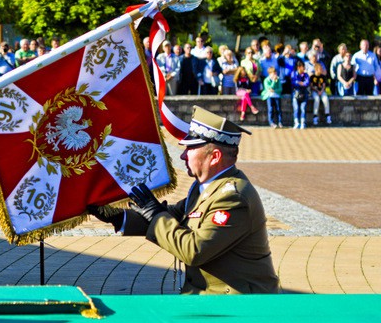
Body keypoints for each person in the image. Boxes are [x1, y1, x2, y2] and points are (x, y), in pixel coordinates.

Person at [88, 106, 279, 297]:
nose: (182, 155)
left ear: (215, 157)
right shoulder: (203, 188)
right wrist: (118, 217)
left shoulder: (233, 197)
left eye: (191, 148)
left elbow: (195, 250)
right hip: (208, 296)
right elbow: (172, 216)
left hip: (239, 304)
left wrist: (156, 214)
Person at [291, 59, 310, 129]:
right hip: (295, 93)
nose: (304, 68)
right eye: (303, 66)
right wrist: (301, 83)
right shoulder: (294, 73)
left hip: (304, 93)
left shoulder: (306, 75)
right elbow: (293, 82)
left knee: (303, 108)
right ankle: (296, 123)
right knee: (296, 108)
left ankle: (302, 123)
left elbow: (307, 83)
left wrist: (299, 83)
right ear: (298, 67)